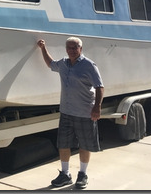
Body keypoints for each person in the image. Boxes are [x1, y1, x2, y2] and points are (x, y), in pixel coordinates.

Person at [37, 37, 104, 189]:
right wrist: (42, 48)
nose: (72, 50)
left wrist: (97, 107)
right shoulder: (63, 63)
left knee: (84, 144)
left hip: (85, 112)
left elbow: (100, 87)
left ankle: (82, 174)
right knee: (63, 144)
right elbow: (50, 64)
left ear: (81, 48)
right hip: (66, 112)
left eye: (75, 48)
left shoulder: (89, 65)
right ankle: (65, 174)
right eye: (69, 48)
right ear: (66, 49)